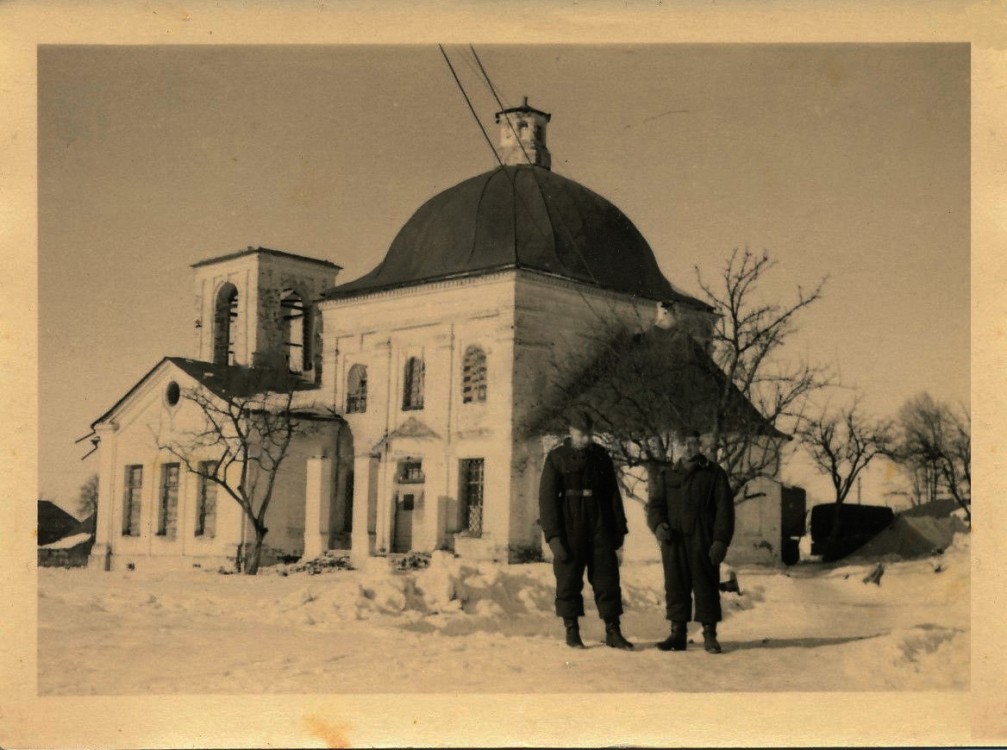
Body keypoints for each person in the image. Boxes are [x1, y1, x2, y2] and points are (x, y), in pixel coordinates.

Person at [538, 409, 634, 650]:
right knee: (568, 577)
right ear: (571, 432)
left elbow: (613, 493)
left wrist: (619, 528)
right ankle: (572, 630)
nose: (587, 439)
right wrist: (553, 536)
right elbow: (547, 499)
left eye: (590, 434)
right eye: (582, 434)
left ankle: (613, 630)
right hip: (570, 521)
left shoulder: (601, 457)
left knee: (607, 576)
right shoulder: (557, 457)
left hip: (599, 519)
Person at [647, 429, 734, 653]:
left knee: (706, 585)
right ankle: (678, 633)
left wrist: (720, 541)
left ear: (700, 445)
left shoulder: (714, 474)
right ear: (676, 446)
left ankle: (709, 634)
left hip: (702, 538)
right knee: (675, 585)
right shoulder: (667, 475)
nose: (688, 448)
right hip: (674, 539)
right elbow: (655, 506)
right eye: (683, 443)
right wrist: (658, 526)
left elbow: (725, 510)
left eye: (693, 443)